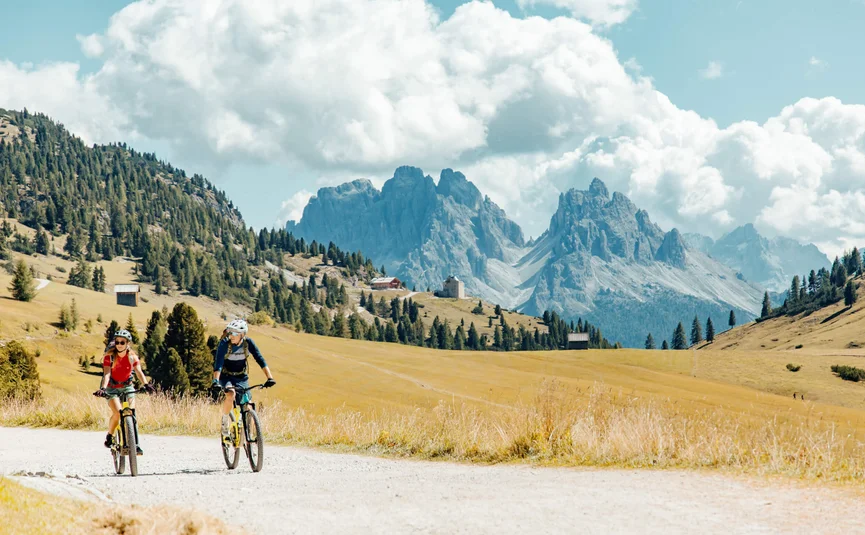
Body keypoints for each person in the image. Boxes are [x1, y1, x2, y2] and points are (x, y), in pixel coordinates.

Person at [93, 329, 155, 455]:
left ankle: (136, 445)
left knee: (131, 414)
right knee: (117, 413)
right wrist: (103, 389)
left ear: (128, 343)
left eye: (122, 342)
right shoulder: (109, 357)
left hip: (127, 387)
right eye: (117, 342)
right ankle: (110, 436)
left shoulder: (132, 357)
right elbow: (107, 374)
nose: (119, 344)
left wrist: (146, 384)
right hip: (112, 388)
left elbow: (138, 372)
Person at [212, 319, 276, 439]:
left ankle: (249, 435)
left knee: (248, 405)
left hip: (241, 376)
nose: (231, 336)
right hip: (226, 376)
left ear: (242, 335)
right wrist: (215, 381)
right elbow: (218, 364)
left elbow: (260, 359)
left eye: (235, 334)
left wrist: (270, 378)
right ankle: (225, 421)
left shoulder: (248, 343)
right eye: (230, 333)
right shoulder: (224, 343)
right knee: (231, 394)